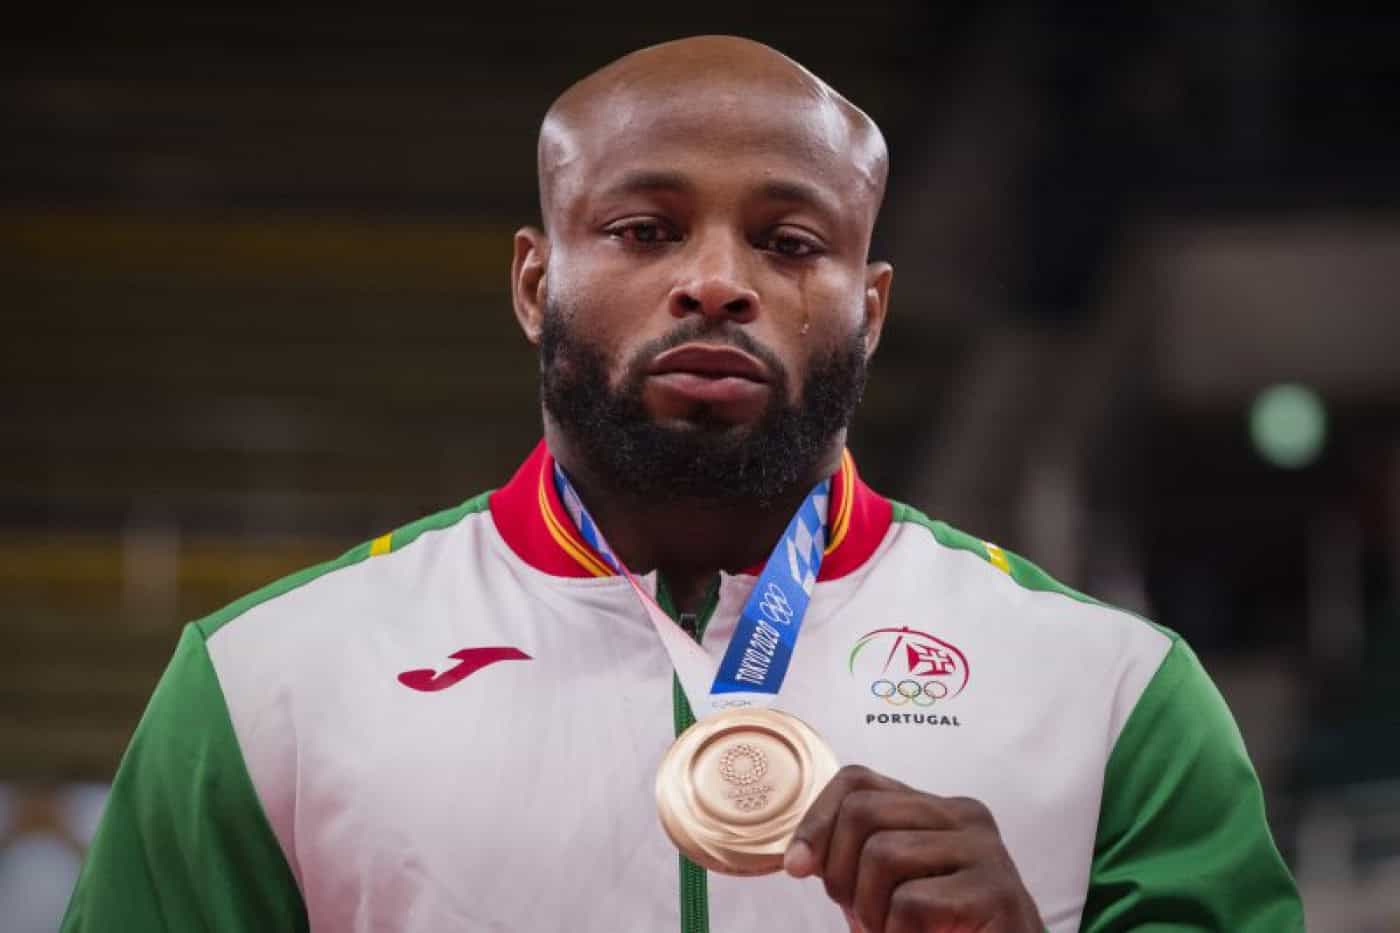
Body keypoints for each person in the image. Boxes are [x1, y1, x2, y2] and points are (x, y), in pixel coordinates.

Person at [63, 35, 1302, 933]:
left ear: (868, 311)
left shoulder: (1112, 694)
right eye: (644, 229)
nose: (716, 281)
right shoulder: (266, 684)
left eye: (789, 242)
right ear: (532, 281)